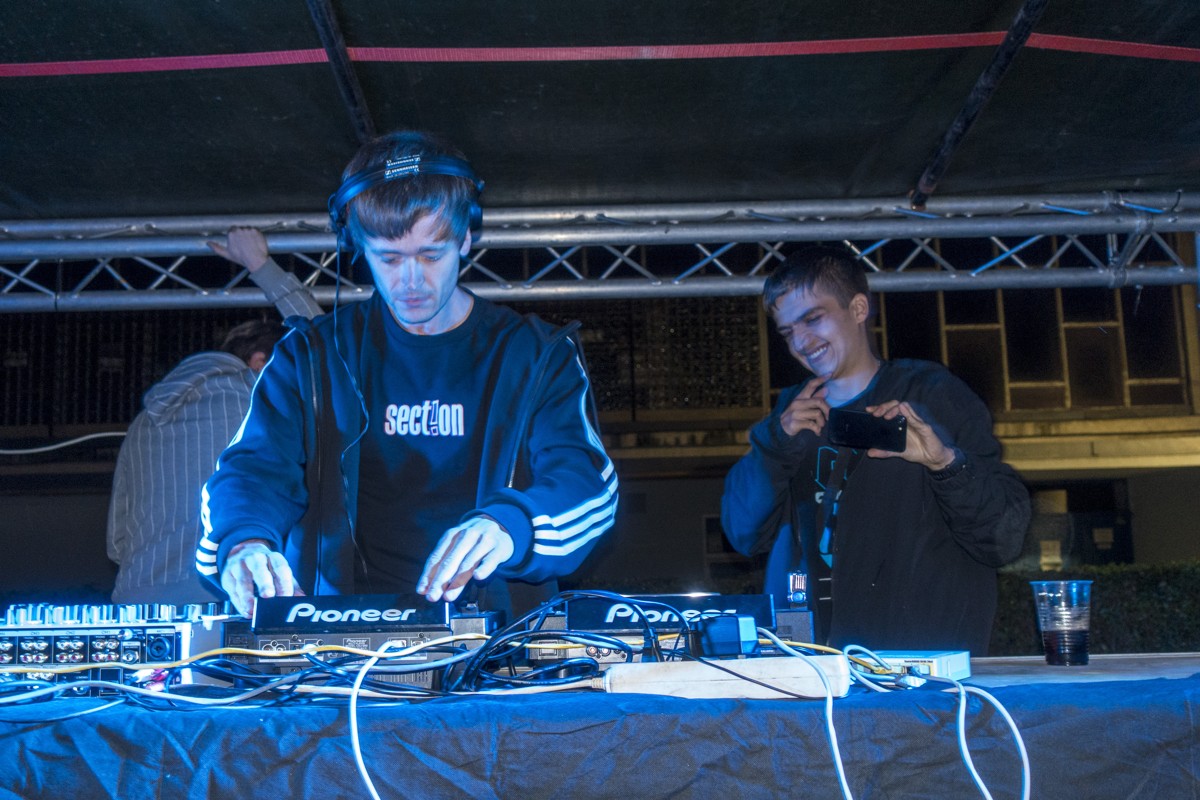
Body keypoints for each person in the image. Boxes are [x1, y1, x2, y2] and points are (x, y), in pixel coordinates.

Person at [195, 129, 619, 619]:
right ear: (357, 248)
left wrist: (510, 527)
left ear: (466, 238)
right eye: (389, 258)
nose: (411, 280)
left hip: (498, 637)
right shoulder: (310, 355)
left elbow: (585, 482)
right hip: (340, 635)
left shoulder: (535, 355)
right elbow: (253, 468)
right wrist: (243, 542)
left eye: (430, 255)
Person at [721, 246, 1030, 655]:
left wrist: (945, 463)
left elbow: (1002, 539)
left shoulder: (930, 395)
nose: (800, 342)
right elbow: (743, 533)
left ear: (858, 308)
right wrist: (775, 444)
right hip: (817, 663)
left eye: (812, 319)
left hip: (914, 669)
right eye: (787, 331)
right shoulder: (791, 415)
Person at [106, 229, 322, 605]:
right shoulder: (260, 401)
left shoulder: (143, 421)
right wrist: (261, 266)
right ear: (262, 362)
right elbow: (327, 348)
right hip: (232, 598)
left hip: (136, 601)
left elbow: (116, 543)